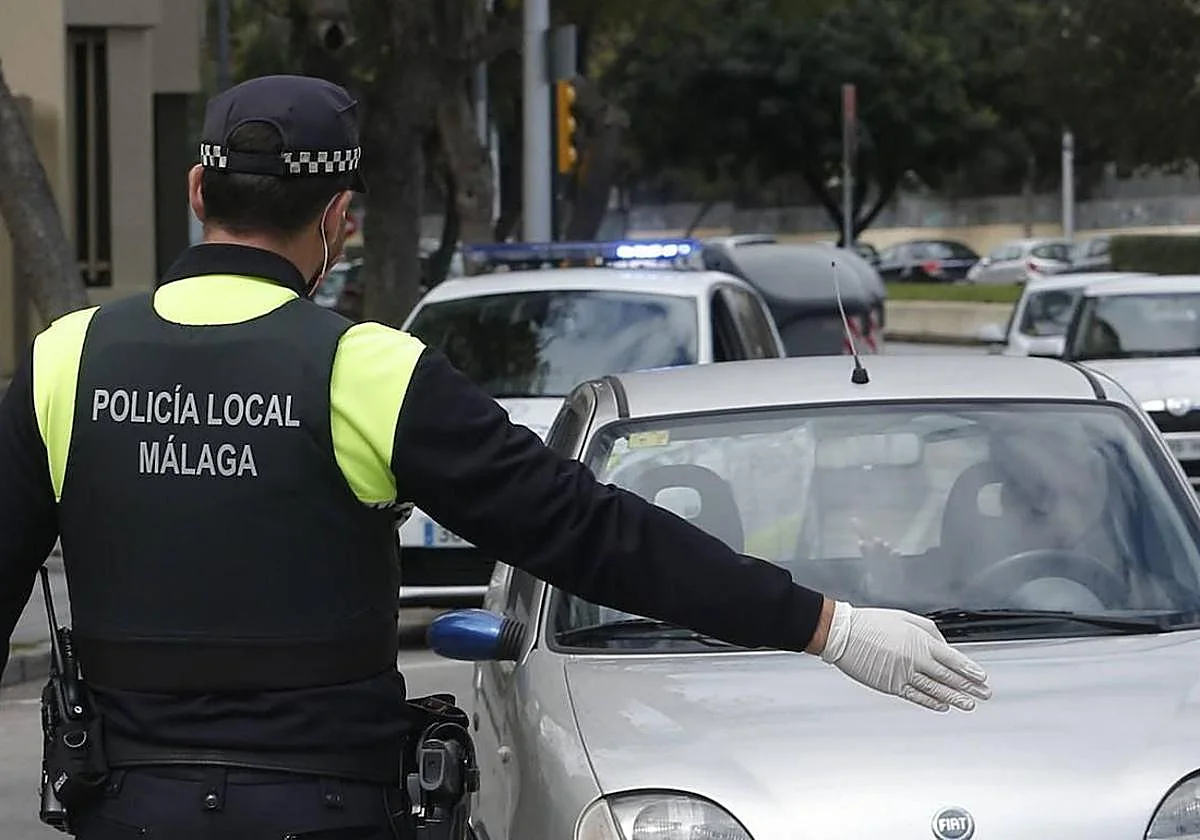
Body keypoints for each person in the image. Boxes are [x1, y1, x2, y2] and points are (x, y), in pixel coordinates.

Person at [0, 74, 991, 839]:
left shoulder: (64, 362)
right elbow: (591, 535)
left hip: (126, 809)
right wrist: (828, 625)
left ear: (195, 190)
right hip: (327, 809)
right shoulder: (368, 372)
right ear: (339, 219)